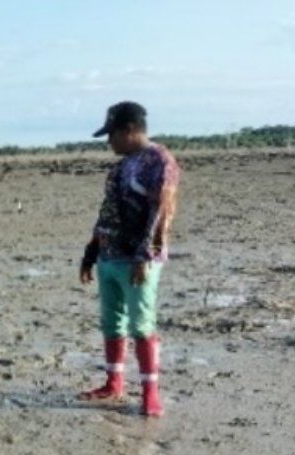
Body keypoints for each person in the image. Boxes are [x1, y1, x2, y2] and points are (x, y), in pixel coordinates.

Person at [79, 101, 181, 417]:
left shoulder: (159, 162)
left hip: (138, 261)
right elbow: (108, 210)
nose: (109, 142)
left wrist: (144, 256)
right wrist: (91, 250)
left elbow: (160, 212)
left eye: (112, 135)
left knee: (142, 324)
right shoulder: (121, 166)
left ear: (130, 130)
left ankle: (150, 393)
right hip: (110, 257)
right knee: (112, 322)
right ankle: (114, 383)